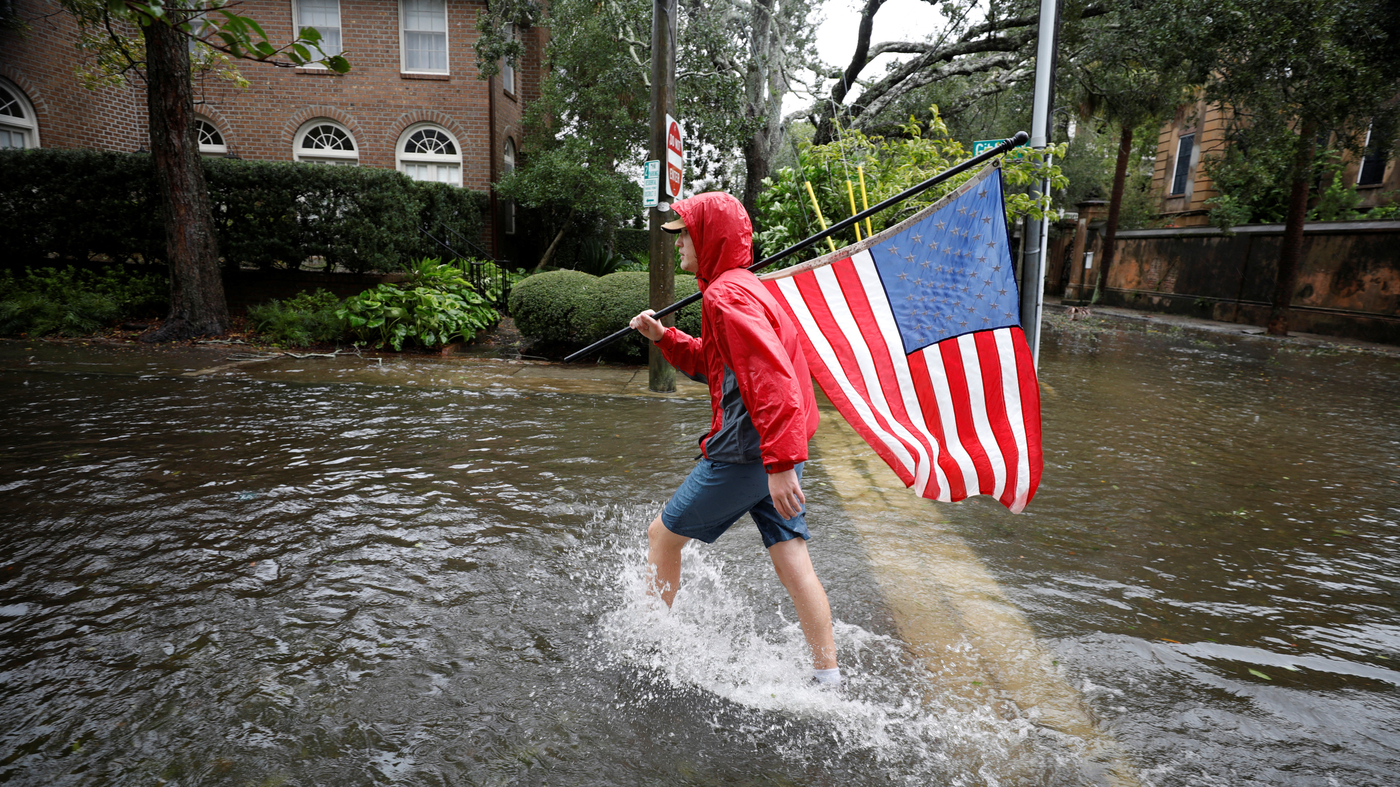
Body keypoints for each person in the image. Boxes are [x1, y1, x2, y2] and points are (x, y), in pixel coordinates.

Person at [628, 191, 841, 686]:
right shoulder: (746, 288)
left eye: (684, 233)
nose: (679, 244)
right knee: (793, 559)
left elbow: (770, 378)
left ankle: (649, 650)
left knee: (661, 536)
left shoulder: (725, 295)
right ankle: (828, 678)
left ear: (709, 237)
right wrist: (666, 339)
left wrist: (780, 463)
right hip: (773, 449)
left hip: (752, 451)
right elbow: (723, 366)